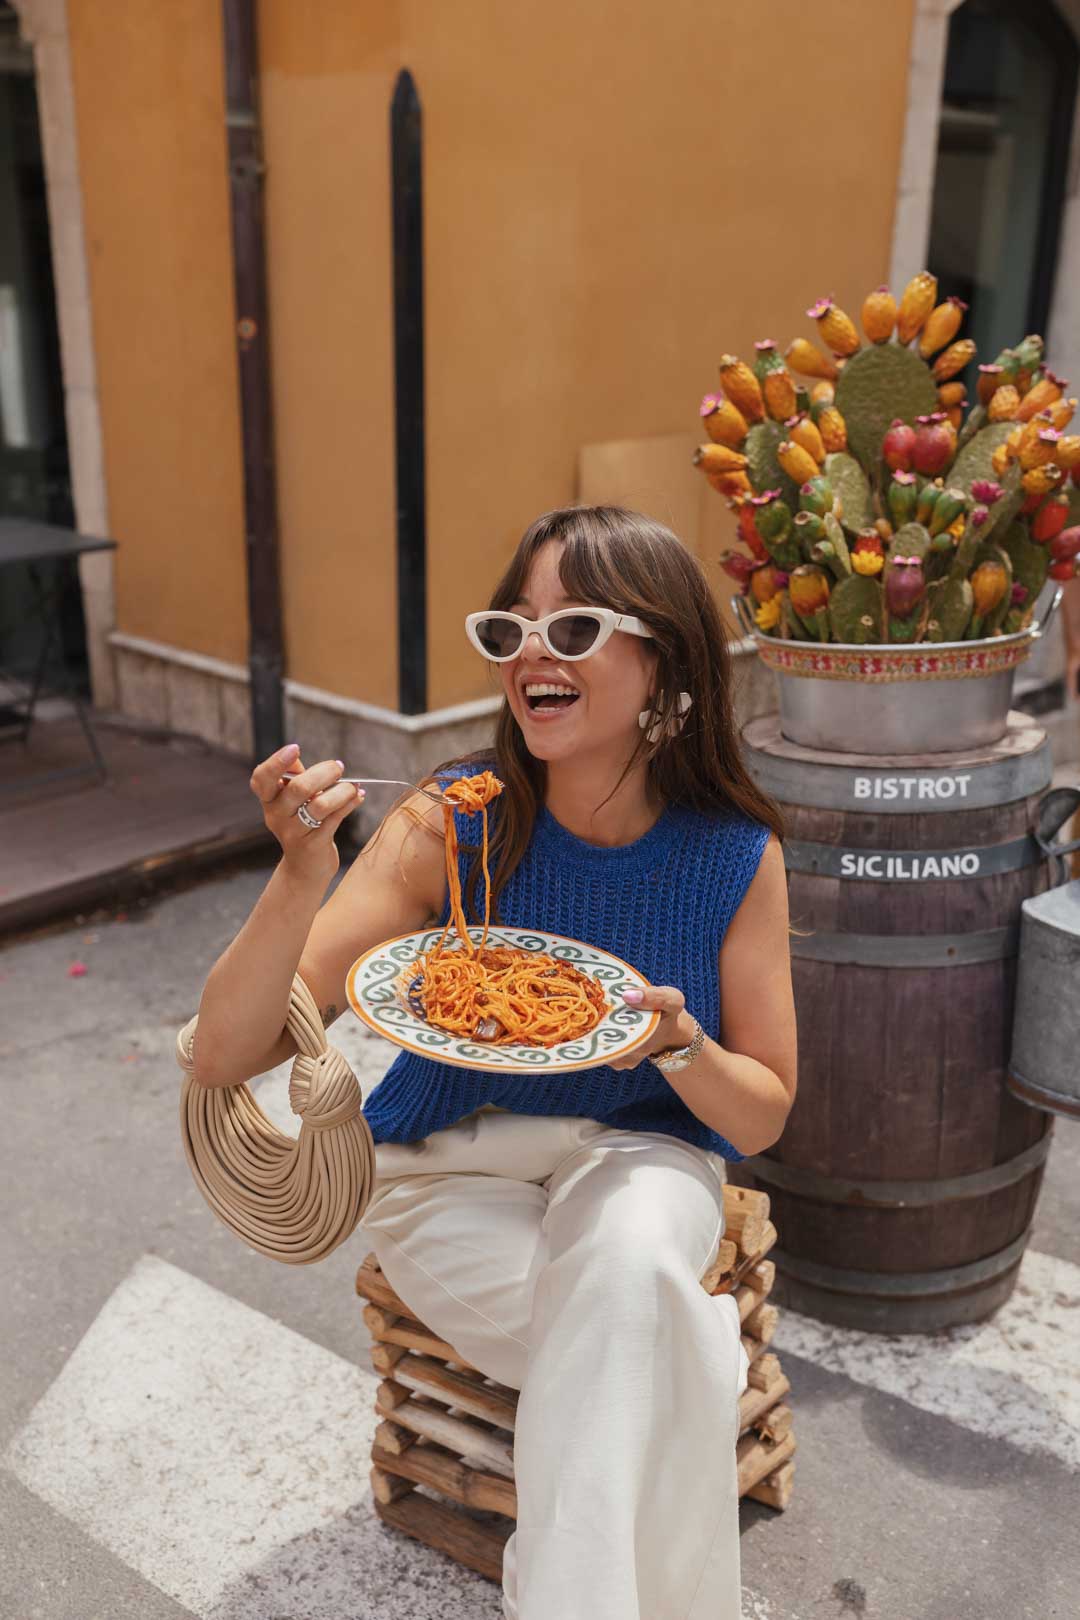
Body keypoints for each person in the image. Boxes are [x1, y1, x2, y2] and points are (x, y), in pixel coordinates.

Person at [192, 504, 797, 1620]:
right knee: (644, 1342)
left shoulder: (732, 858)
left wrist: (680, 1044)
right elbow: (229, 1051)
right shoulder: (450, 820)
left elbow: (760, 1117)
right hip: (442, 1170)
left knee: (621, 1284)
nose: (531, 656)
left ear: (663, 657)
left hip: (641, 1157)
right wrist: (297, 873)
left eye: (572, 631)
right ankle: (696, 1344)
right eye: (511, 628)